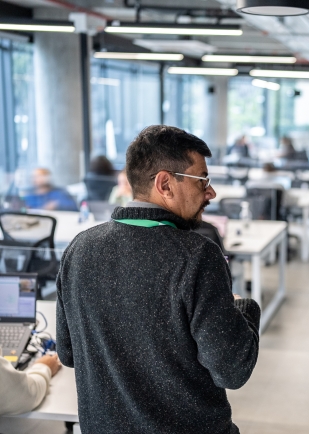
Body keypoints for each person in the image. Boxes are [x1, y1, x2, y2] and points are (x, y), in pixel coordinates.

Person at [56, 125, 261, 434]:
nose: (211, 192)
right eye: (203, 180)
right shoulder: (197, 257)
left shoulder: (79, 249)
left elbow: (68, 354)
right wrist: (244, 309)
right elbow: (233, 370)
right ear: (165, 184)